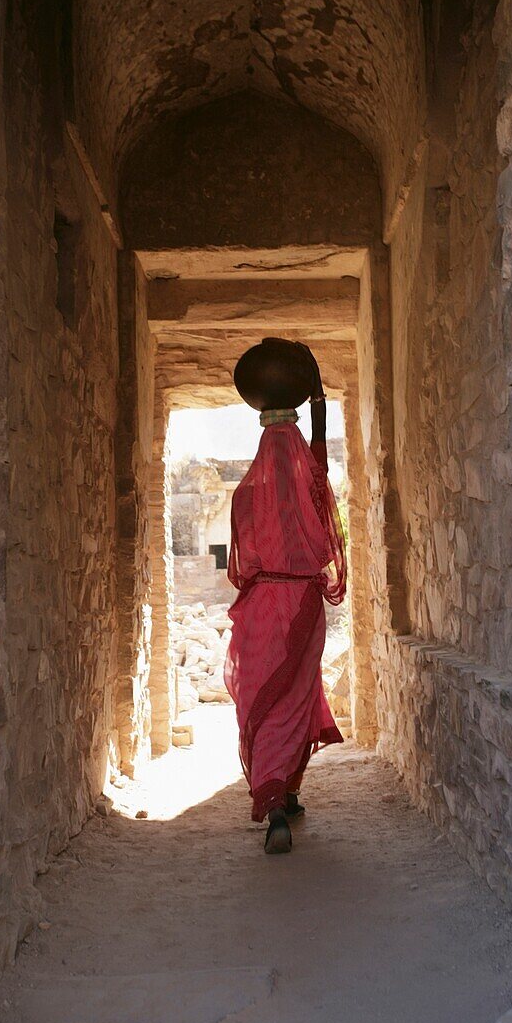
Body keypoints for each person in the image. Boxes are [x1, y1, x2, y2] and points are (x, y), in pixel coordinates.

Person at [224, 338, 347, 854]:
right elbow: (318, 449)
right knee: (296, 694)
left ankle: (276, 800)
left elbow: (239, 569)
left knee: (263, 699)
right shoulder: (314, 478)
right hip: (302, 605)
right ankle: (287, 793)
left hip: (263, 606)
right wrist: (315, 391)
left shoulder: (246, 493)